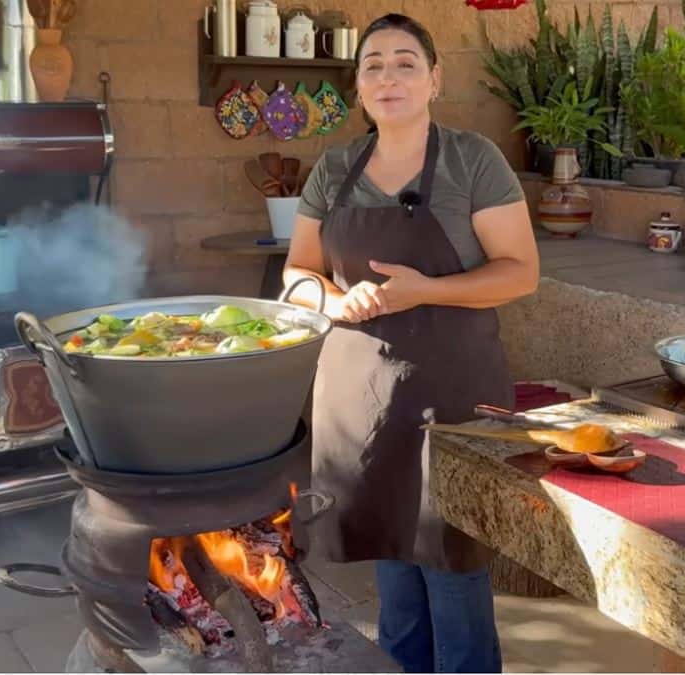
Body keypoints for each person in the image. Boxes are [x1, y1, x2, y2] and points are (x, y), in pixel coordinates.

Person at [281, 12, 539, 673]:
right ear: (357, 86)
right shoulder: (334, 169)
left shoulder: (471, 160)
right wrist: (337, 302)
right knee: (393, 565)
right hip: (360, 399)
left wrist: (425, 289)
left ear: (433, 79)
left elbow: (520, 271)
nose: (388, 76)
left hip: (450, 394)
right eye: (373, 65)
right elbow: (295, 274)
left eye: (404, 62)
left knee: (453, 565)